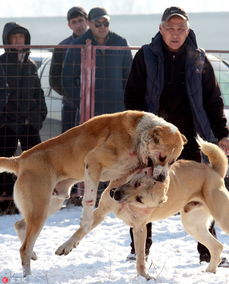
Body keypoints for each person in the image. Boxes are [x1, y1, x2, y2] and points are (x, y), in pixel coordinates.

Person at [124, 7, 229, 266]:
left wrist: (222, 133)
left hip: (189, 139)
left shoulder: (199, 58)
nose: (176, 33)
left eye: (181, 29)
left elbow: (213, 100)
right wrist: (135, 135)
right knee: (141, 188)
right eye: (170, 28)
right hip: (153, 140)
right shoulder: (145, 56)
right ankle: (139, 250)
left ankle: (208, 252)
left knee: (200, 191)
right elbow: (132, 97)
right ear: (161, 29)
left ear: (188, 31)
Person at [0, 22, 47, 213]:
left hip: (29, 124)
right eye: (15, 37)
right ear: (7, 40)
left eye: (22, 37)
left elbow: (38, 94)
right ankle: (5, 201)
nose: (19, 41)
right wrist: (2, 121)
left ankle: (33, 199)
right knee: (5, 163)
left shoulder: (30, 65)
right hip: (7, 125)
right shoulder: (1, 65)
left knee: (36, 163)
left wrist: (36, 118)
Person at [62, 7, 133, 128]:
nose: (102, 27)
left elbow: (130, 76)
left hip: (117, 109)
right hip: (89, 112)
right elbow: (67, 78)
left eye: (105, 23)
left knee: (116, 145)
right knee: (90, 145)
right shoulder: (78, 44)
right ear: (89, 23)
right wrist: (81, 101)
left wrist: (124, 101)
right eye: (98, 24)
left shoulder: (120, 42)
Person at [49, 6, 88, 132]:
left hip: (96, 105)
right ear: (69, 25)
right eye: (74, 22)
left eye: (81, 20)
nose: (78, 25)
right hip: (70, 106)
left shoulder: (99, 44)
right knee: (68, 145)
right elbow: (54, 80)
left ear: (87, 21)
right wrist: (71, 94)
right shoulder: (62, 47)